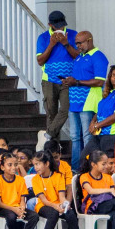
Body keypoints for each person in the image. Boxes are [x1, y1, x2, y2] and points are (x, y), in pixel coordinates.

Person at [65, 29, 107, 170]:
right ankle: (76, 169)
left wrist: (76, 82)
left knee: (87, 137)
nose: (78, 46)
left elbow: (100, 81)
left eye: (80, 43)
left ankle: (88, 168)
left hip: (88, 103)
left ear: (89, 40)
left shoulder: (98, 56)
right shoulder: (80, 56)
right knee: (75, 138)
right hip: (75, 103)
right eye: (76, 43)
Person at [35, 11, 78, 149]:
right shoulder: (43, 38)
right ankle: (54, 146)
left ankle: (47, 136)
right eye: (57, 26)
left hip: (68, 80)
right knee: (51, 112)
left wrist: (66, 44)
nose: (60, 28)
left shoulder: (73, 34)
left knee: (65, 109)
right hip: (49, 80)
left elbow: (77, 57)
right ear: (50, 25)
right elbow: (40, 61)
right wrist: (51, 44)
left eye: (62, 25)